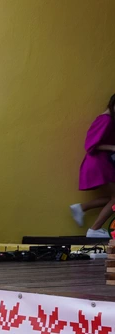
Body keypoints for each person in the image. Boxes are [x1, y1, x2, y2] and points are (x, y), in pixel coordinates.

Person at [69, 94, 115, 238]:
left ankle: (82, 208)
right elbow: (90, 145)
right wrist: (112, 147)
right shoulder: (105, 120)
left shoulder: (109, 120)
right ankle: (94, 230)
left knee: (113, 197)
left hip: (103, 162)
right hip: (99, 163)